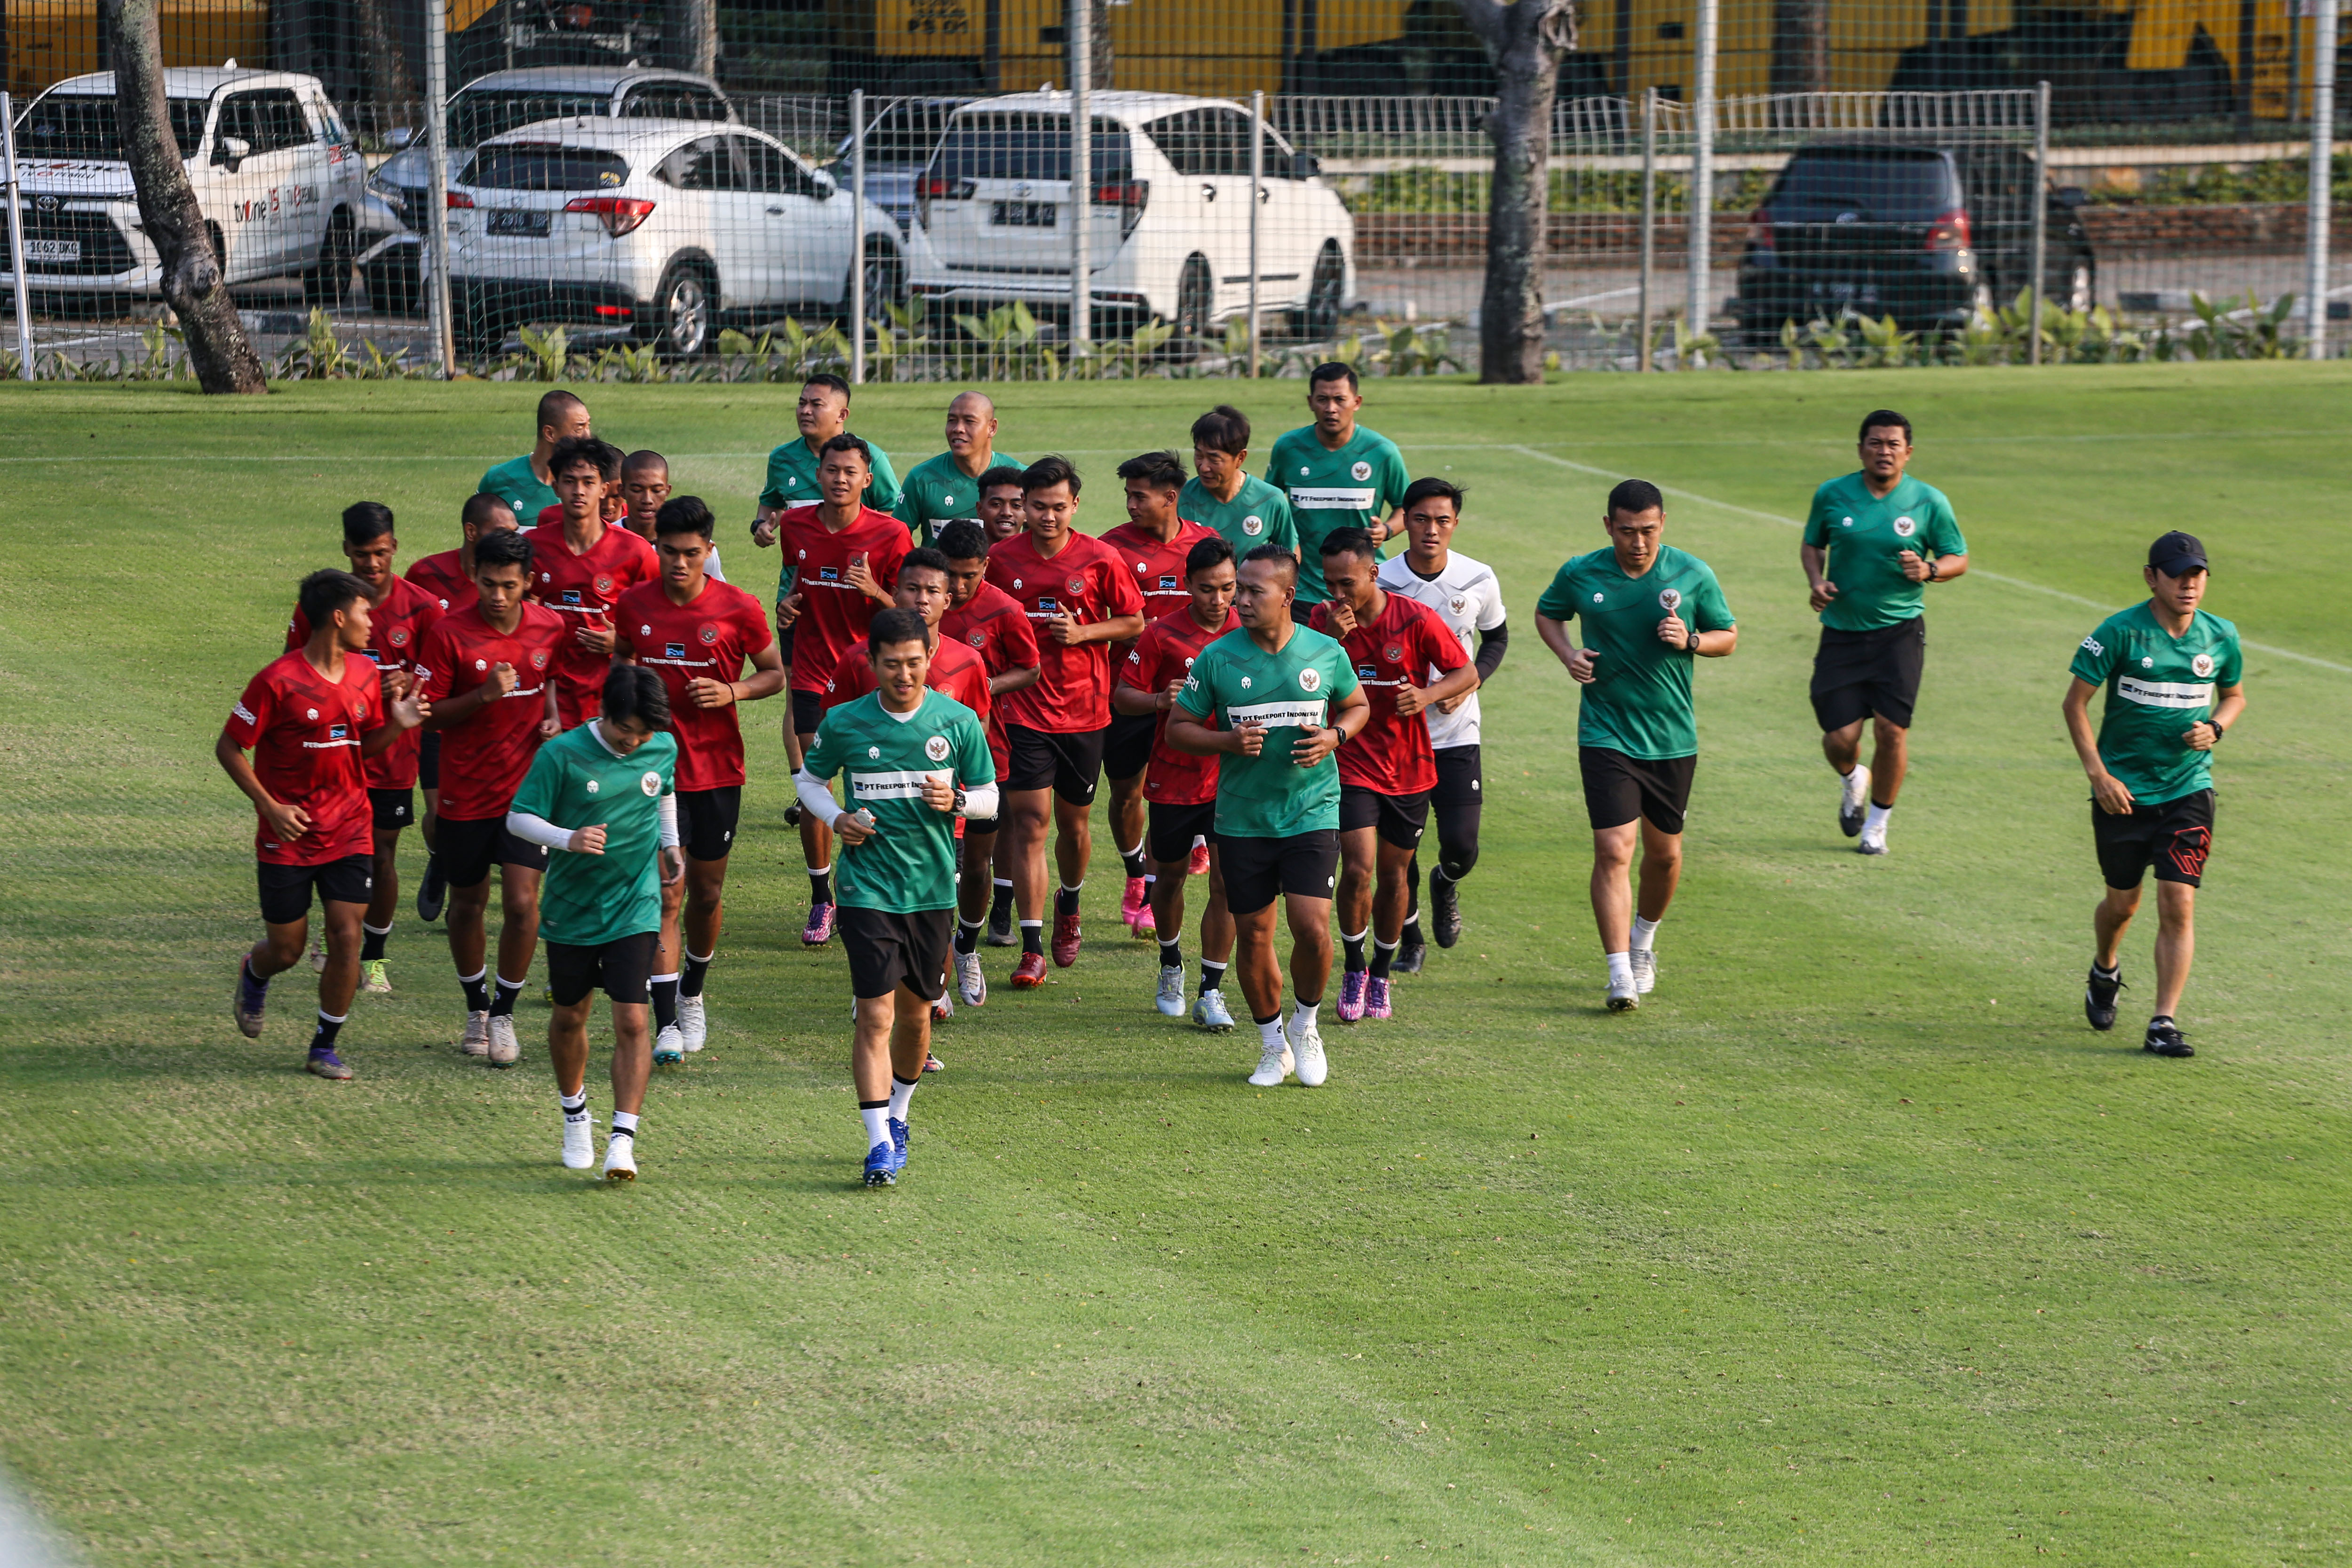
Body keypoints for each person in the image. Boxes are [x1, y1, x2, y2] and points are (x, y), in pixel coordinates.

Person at [794, 609, 998, 1187]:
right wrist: (837, 818)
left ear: (928, 659)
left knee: (914, 1018)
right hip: (866, 890)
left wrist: (956, 802)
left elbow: (990, 797)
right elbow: (808, 780)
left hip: (931, 892)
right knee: (875, 1016)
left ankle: (900, 1116)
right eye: (891, 665)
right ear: (872, 663)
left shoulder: (956, 723)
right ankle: (878, 1142)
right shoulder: (844, 722)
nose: (904, 675)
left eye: (914, 663)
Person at [1534, 480, 1738, 1012]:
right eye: (1627, 531)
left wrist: (1691, 641)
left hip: (1672, 738)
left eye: (1648, 530)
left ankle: (1643, 943)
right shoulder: (1582, 572)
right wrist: (1567, 655)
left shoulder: (1691, 574)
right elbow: (1547, 613)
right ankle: (1618, 972)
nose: (1638, 542)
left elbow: (1727, 636)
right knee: (1613, 850)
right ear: (1608, 527)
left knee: (1664, 857)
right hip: (1605, 733)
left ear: (1662, 524)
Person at [1168, 547, 1367, 1088]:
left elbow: (1357, 705)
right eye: (1239, 590)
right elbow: (1177, 727)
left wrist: (1334, 736)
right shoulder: (1217, 657)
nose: (1240, 600)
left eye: (1253, 591)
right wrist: (1225, 740)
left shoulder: (1324, 653)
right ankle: (1271, 1042)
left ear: (1286, 596)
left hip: (1310, 813)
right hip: (1242, 819)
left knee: (1312, 928)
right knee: (1253, 936)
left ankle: (1305, 1025)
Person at [219, 569, 428, 1080]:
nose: (371, 623)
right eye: (362, 612)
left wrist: (397, 723)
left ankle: (324, 1047)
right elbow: (229, 747)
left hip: (350, 828)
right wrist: (270, 807)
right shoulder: (277, 681)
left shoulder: (363, 674)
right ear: (338, 617)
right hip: (287, 836)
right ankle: (255, 970)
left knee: (345, 935)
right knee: (288, 950)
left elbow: (364, 745)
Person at [612, 496, 784, 1064]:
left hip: (717, 772)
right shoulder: (635, 605)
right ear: (655, 548)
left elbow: (774, 674)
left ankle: (692, 989)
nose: (679, 564)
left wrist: (732, 691)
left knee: (706, 894)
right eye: (669, 552)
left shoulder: (738, 608)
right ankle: (666, 1024)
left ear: (709, 551)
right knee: (668, 891)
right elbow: (621, 667)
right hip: (653, 779)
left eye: (691, 553)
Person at [2062, 531, 2245, 1059]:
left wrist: (2216, 727)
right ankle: (2104, 967)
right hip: (2121, 793)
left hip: (2188, 788)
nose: (2188, 585)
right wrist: (2098, 776)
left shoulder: (2220, 636)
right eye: (2177, 575)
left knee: (2177, 902)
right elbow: (2073, 705)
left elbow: (2233, 695)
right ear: (2151, 577)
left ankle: (2162, 1021)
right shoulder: (2118, 632)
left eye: (2197, 575)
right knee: (2121, 905)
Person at [504, 664, 683, 1180]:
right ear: (603, 714)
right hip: (572, 907)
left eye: (642, 736)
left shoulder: (661, 747)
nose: (634, 743)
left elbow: (664, 791)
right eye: (626, 733)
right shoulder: (560, 755)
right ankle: (575, 1112)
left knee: (632, 1019)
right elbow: (518, 818)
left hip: (635, 903)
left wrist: (669, 845)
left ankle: (622, 1141)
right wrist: (568, 838)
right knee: (569, 1017)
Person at [985, 455, 1145, 986]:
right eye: (1037, 507)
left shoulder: (1101, 559)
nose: (1047, 517)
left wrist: (1083, 634)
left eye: (1058, 507)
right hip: (1023, 713)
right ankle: (1031, 949)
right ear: (1021, 505)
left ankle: (1068, 903)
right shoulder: (1001, 559)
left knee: (1075, 828)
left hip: (1084, 716)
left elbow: (1133, 622)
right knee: (1031, 824)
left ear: (1075, 504)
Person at [822, 546, 994, 1037]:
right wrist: (838, 812)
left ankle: (929, 997)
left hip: (944, 820)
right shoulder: (857, 660)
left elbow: (975, 735)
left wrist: (959, 799)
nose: (921, 599)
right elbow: (831, 737)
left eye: (932, 591)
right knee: (880, 913)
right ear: (893, 592)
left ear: (950, 598)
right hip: (875, 825)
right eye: (911, 588)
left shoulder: (967, 662)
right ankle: (879, 998)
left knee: (935, 904)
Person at [413, 528, 567, 1066]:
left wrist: (551, 716)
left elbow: (554, 682)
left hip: (528, 792)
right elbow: (427, 713)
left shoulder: (551, 626)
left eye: (508, 585)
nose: (497, 596)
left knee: (524, 903)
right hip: (466, 792)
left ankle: (503, 1012)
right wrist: (482, 696)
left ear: (527, 582)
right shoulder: (449, 633)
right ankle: (475, 1005)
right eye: (487, 584)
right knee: (468, 904)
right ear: (473, 577)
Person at [1310, 527, 1475, 1022]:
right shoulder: (1322, 621)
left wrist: (1426, 696)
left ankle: (1381, 973)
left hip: (1408, 769)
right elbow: (1301, 677)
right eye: (1330, 584)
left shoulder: (1415, 619)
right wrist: (1329, 640)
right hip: (1351, 762)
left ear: (1373, 573)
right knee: (1357, 868)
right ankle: (1354, 967)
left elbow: (1465, 672)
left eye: (1348, 584)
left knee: (1393, 874)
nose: (1338, 596)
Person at [281, 503, 445, 996]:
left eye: (380, 553)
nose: (372, 565)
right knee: (325, 853)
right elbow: (292, 669)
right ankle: (333, 941)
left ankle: (373, 957)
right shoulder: (321, 605)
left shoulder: (423, 609)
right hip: (330, 753)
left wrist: (411, 679)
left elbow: (440, 678)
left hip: (392, 754)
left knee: (382, 855)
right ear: (346, 551)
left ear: (395, 546)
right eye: (361, 555)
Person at [1801, 409, 1969, 856]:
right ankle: (1853, 777)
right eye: (1875, 443)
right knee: (1840, 740)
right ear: (1860, 449)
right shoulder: (1833, 495)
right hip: (1841, 632)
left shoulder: (1930, 501)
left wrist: (1930, 569)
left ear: (1908, 453)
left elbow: (1958, 557)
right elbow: (1813, 543)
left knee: (1893, 732)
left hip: (1899, 633)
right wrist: (1817, 582)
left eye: (1894, 444)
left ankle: (1877, 825)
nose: (1884, 451)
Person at [767, 434, 911, 945]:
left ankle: (878, 892)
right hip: (811, 675)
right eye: (831, 470)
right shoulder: (797, 526)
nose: (840, 479)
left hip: (869, 679)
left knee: (882, 790)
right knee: (814, 790)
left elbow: (912, 615)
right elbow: (797, 586)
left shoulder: (891, 536)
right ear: (819, 475)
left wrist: (874, 592)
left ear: (867, 479)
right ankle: (821, 900)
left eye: (851, 471)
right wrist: (787, 608)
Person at [1377, 478, 1508, 970]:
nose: (1431, 530)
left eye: (1442, 521)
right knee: (1397, 853)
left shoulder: (1477, 579)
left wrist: (1470, 685)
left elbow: (1495, 640)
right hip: (1394, 741)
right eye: (1420, 519)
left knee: (1460, 845)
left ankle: (1446, 883)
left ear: (1455, 524)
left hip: (1456, 736)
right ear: (1404, 521)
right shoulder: (1381, 581)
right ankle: (1408, 937)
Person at [1113, 536, 1240, 1030]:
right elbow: (1124, 697)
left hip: (1233, 780)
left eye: (1228, 588)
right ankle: (1170, 963)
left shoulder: (1250, 634)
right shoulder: (1162, 635)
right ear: (1187, 585)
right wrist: (1158, 703)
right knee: (1167, 879)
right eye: (1207, 588)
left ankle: (1211, 989)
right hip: (1174, 779)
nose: (1219, 599)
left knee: (1226, 884)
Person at [1098, 451, 1216, 939]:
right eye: (1127, 495)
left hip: (1199, 698)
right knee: (1127, 792)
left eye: (1138, 496)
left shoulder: (1207, 546)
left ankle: (1154, 874)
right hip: (1130, 690)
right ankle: (1133, 870)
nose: (1129, 504)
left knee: (1191, 789)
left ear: (1171, 498)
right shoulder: (1109, 549)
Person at [405, 493, 519, 923]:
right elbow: (405, 626)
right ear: (472, 532)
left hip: (500, 722)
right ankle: (443, 857)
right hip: (443, 715)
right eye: (501, 531)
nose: (511, 539)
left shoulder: (514, 577)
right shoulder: (426, 574)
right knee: (438, 817)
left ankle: (463, 881)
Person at [937, 518, 1043, 967]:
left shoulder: (1005, 610)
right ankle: (934, 962)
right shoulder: (923, 605)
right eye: (951, 574)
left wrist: (979, 687)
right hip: (922, 757)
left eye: (970, 575)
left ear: (986, 565)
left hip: (986, 754)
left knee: (978, 865)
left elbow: (1031, 669)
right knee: (942, 863)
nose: (959, 587)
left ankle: (966, 943)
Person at [525, 436, 659, 730]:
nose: (579, 491)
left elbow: (663, 623)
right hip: (544, 697)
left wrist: (624, 646)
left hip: (610, 697)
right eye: (570, 481)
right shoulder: (531, 548)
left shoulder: (636, 553)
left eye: (588, 482)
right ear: (556, 486)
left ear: (604, 489)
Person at [1265, 364, 1412, 606]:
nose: (1331, 409)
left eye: (1340, 400)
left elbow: (1406, 508)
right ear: (1311, 402)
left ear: (1357, 402)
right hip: (1301, 591)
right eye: (1323, 400)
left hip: (1363, 590)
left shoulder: (1382, 452)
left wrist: (1386, 530)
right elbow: (1270, 503)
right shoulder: (1288, 448)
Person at [751, 374, 901, 542]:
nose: (805, 411)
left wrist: (867, 544)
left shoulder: (870, 458)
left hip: (852, 566)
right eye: (802, 403)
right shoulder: (781, 458)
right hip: (799, 567)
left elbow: (893, 511)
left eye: (817, 405)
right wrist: (761, 525)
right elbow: (772, 503)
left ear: (842, 415)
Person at [895, 391, 1021, 548]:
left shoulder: (1021, 478)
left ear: (992, 428)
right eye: (952, 421)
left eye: (969, 421)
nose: (958, 428)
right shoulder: (921, 478)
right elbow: (895, 540)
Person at [1182, 404, 1298, 562]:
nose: (1204, 467)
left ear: (1241, 458)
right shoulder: (1180, 499)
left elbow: (1291, 555)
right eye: (1199, 455)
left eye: (1214, 459)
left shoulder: (1270, 500)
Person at [478, 390, 590, 526]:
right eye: (579, 429)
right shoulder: (498, 479)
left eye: (588, 426)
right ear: (550, 434)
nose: (587, 437)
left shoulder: (592, 483)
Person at [617, 448, 722, 581]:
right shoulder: (605, 541)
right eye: (637, 490)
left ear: (667, 491)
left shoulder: (698, 548)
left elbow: (717, 593)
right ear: (622, 491)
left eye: (657, 490)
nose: (647, 499)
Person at [975, 465, 1028, 548]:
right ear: (980, 510)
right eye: (996, 504)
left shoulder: (1038, 554)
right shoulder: (961, 555)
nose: (1007, 513)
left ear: (1027, 511)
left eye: (1016, 505)